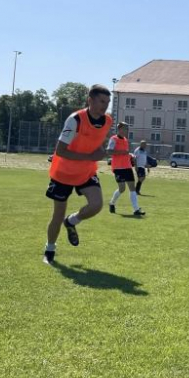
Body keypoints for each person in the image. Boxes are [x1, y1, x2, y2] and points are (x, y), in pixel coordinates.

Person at [43, 84, 113, 264]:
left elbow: (94, 141)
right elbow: (61, 150)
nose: (105, 106)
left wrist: (100, 151)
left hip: (86, 172)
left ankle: (72, 221)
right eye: (101, 101)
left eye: (108, 102)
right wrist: (90, 156)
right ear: (90, 100)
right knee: (57, 215)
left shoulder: (107, 121)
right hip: (63, 173)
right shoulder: (75, 120)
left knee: (96, 205)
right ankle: (50, 249)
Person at [107, 122, 145, 216]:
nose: (126, 131)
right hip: (118, 168)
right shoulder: (113, 139)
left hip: (127, 166)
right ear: (119, 129)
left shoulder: (125, 140)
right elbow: (109, 151)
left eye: (127, 129)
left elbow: (125, 153)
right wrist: (122, 152)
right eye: (125, 128)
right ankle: (112, 203)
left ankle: (136, 209)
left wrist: (130, 155)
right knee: (122, 189)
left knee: (132, 188)